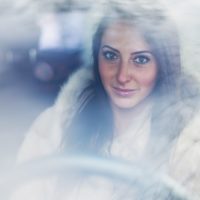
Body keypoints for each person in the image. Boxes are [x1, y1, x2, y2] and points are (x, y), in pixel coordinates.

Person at [11, 1, 200, 199]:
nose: (122, 75)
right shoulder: (53, 126)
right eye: (110, 56)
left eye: (141, 60)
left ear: (163, 65)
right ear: (96, 57)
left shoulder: (189, 143)